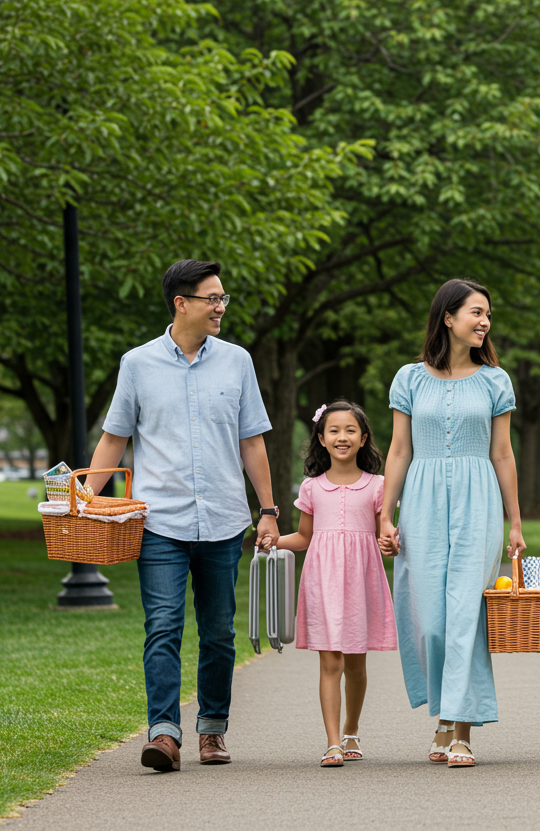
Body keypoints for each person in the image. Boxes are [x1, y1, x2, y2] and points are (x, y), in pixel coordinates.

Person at [88, 260, 280, 772]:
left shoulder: (238, 361)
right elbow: (115, 437)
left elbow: (252, 440)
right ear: (182, 302)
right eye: (212, 298)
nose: (221, 307)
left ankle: (212, 731)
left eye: (223, 299)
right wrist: (86, 499)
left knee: (218, 631)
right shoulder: (138, 363)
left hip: (221, 520)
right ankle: (164, 733)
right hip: (160, 525)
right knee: (164, 626)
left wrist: (267, 509)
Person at [378, 279, 524, 769]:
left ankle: (460, 730)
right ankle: (443, 713)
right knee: (430, 622)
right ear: (448, 317)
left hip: (477, 498)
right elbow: (399, 451)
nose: (484, 322)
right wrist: (385, 513)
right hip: (419, 500)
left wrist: (515, 522)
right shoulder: (409, 378)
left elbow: (502, 454)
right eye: (475, 313)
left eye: (487, 315)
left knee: (465, 616)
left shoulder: (495, 381)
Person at [267, 399, 396, 767]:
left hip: (361, 580)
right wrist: (274, 541)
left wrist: (391, 542)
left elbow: (382, 534)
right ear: (321, 439)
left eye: (350, 430)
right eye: (334, 431)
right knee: (330, 662)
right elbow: (305, 537)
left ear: (363, 437)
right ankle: (333, 742)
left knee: (356, 663)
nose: (342, 437)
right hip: (322, 580)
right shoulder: (311, 488)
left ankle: (352, 729)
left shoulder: (378, 486)